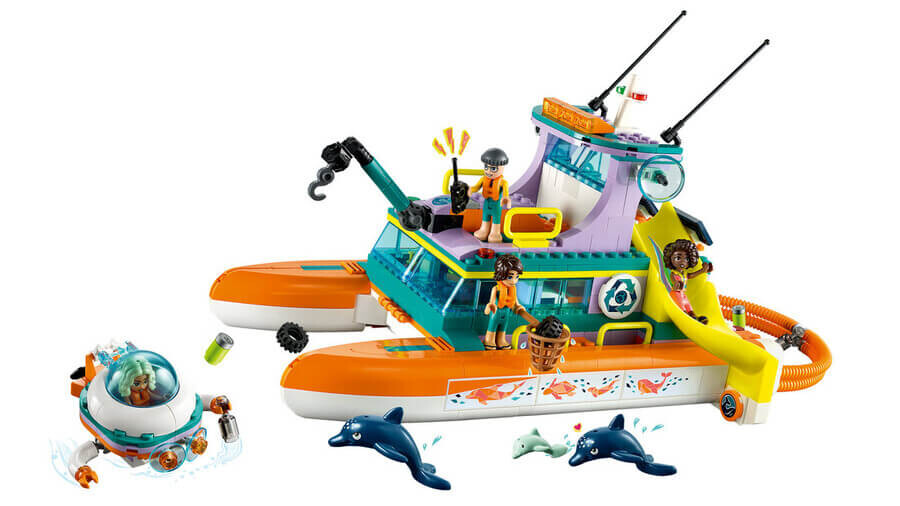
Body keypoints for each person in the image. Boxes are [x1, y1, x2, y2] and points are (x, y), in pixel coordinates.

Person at [663, 239, 713, 324]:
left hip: (682, 294)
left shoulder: (684, 273)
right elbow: (673, 280)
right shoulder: (674, 273)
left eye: (686, 259)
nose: (683, 261)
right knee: (681, 306)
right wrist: (676, 283)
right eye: (678, 258)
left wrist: (702, 270)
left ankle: (694, 316)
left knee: (688, 305)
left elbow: (691, 275)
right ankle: (686, 317)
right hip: (675, 294)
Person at [468, 148, 510, 243]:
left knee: (496, 219)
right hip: (486, 204)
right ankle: (484, 230)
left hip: (496, 205)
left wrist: (506, 198)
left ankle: (495, 232)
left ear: (502, 168)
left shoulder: (503, 182)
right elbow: (476, 187)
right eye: (486, 167)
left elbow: (506, 194)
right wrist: (470, 189)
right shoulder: (483, 179)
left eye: (493, 168)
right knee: (485, 217)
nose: (488, 171)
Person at [483, 254, 524, 350]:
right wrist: (490, 306)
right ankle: (489, 339)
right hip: (496, 312)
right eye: (510, 277)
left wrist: (518, 306)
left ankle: (501, 340)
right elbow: (492, 301)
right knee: (492, 325)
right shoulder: (496, 288)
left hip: (506, 312)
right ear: (501, 274)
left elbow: (515, 301)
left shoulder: (513, 289)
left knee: (503, 326)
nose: (514, 281)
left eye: (517, 277)